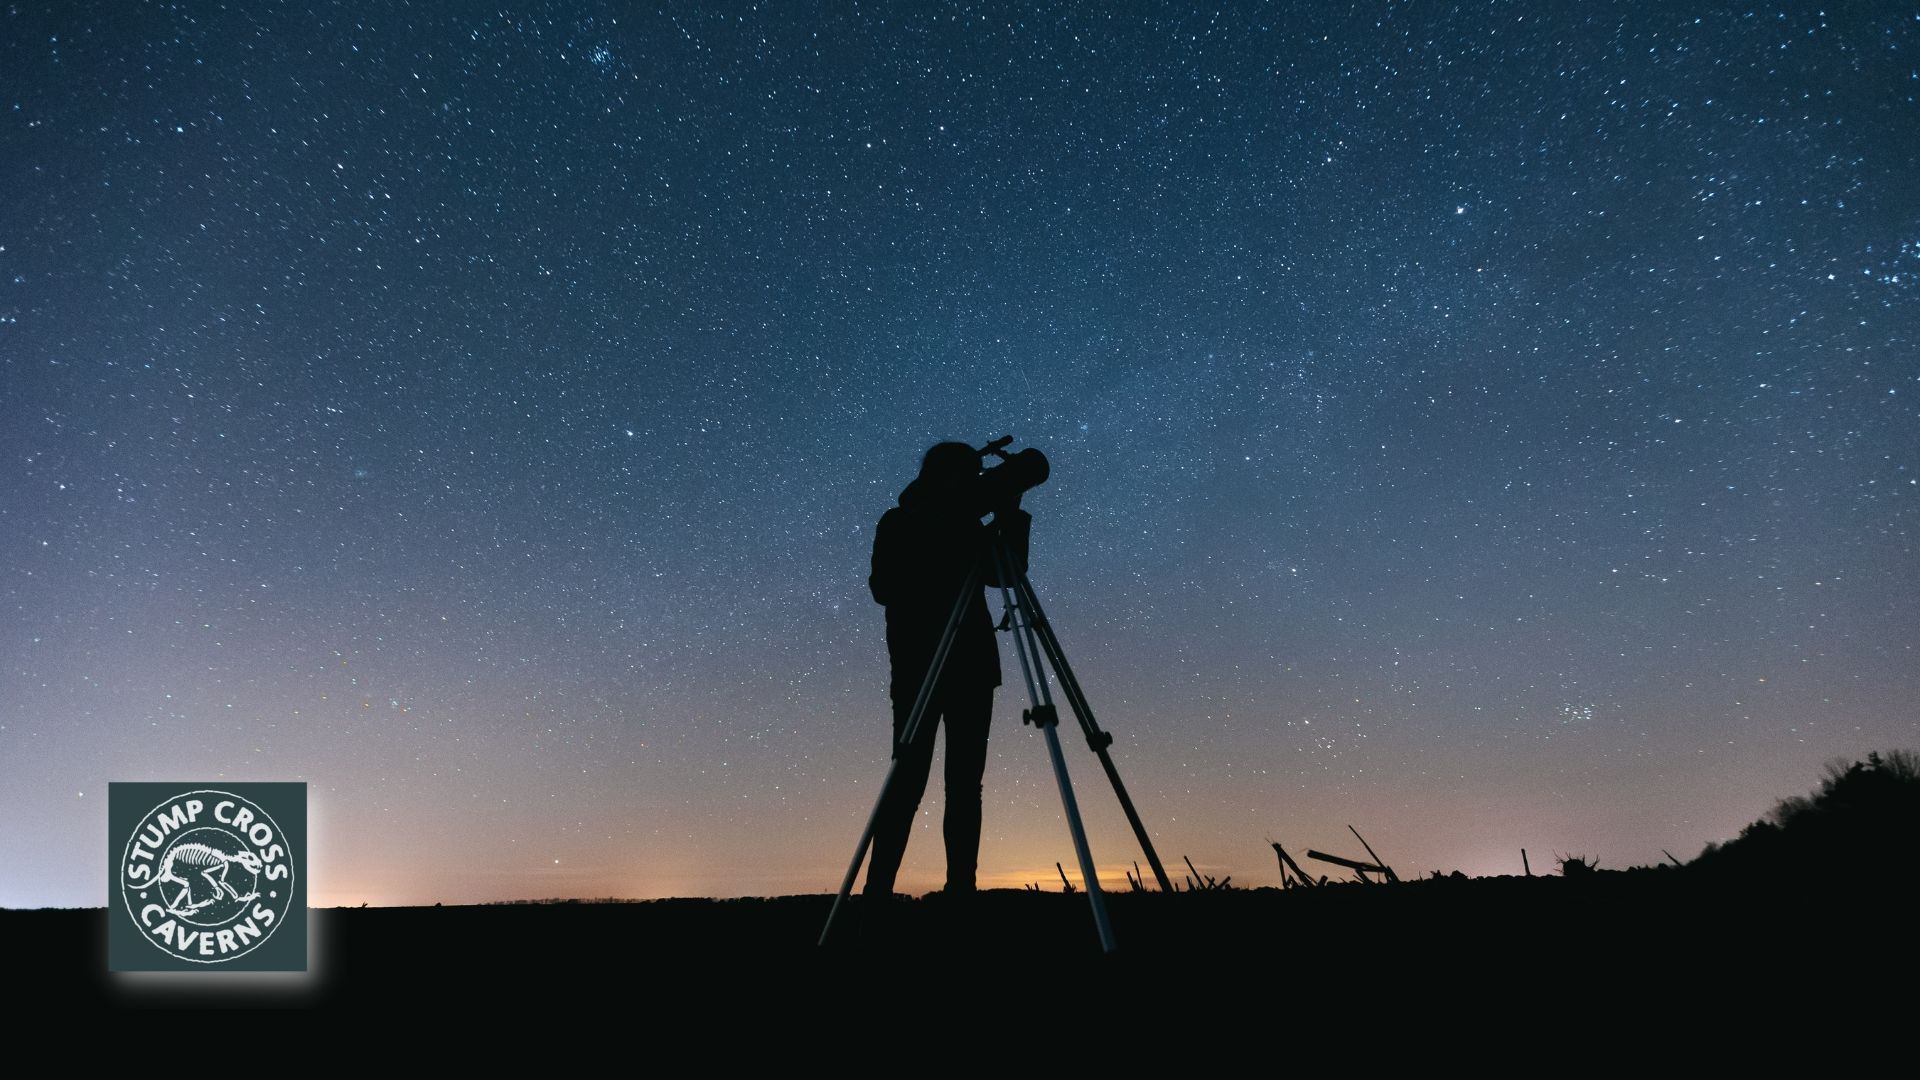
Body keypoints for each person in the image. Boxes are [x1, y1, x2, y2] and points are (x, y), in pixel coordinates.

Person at [864, 441, 1030, 899]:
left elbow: (1008, 575)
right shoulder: (899, 522)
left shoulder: (971, 525)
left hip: (972, 669)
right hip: (920, 666)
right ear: (941, 476)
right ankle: (876, 894)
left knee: (965, 786)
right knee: (907, 781)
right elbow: (884, 587)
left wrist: (1010, 513)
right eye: (967, 474)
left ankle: (962, 891)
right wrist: (942, 538)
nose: (973, 483)